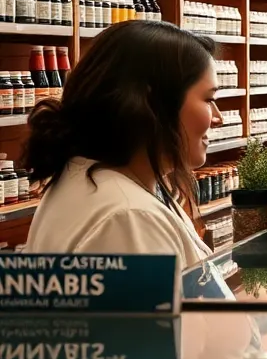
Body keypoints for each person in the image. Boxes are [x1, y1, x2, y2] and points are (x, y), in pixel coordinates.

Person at [23, 20, 221, 265]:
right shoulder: (128, 217)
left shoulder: (92, 180)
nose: (218, 118)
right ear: (154, 104)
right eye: (209, 99)